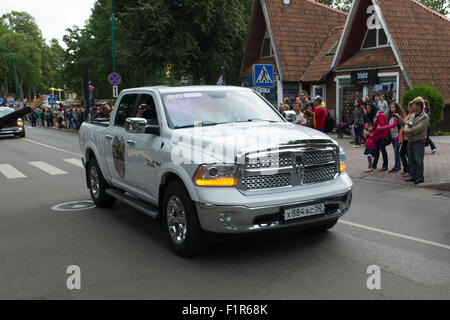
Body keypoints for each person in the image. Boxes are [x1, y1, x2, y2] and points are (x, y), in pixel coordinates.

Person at [395, 97, 429, 185]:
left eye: (414, 105)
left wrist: (408, 131)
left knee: (418, 159)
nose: (412, 106)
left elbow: (419, 128)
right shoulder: (413, 115)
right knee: (411, 159)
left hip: (418, 140)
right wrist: (406, 129)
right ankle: (413, 176)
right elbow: (408, 124)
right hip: (410, 140)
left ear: (419, 106)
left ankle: (420, 177)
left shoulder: (424, 116)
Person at [386, 102, 406, 172]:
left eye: (393, 107)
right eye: (391, 107)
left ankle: (397, 166)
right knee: (396, 151)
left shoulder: (397, 116)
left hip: (398, 136)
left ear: (397, 108)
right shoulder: (391, 116)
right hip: (392, 136)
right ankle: (398, 165)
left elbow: (393, 125)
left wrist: (382, 128)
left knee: (396, 151)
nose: (392, 109)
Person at [399, 101, 414, 177]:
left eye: (410, 107)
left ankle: (410, 170)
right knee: (401, 153)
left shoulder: (413, 116)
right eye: (408, 107)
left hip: (408, 138)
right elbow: (403, 126)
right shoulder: (407, 115)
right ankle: (406, 169)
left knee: (409, 155)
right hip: (404, 138)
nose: (408, 108)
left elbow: (408, 125)